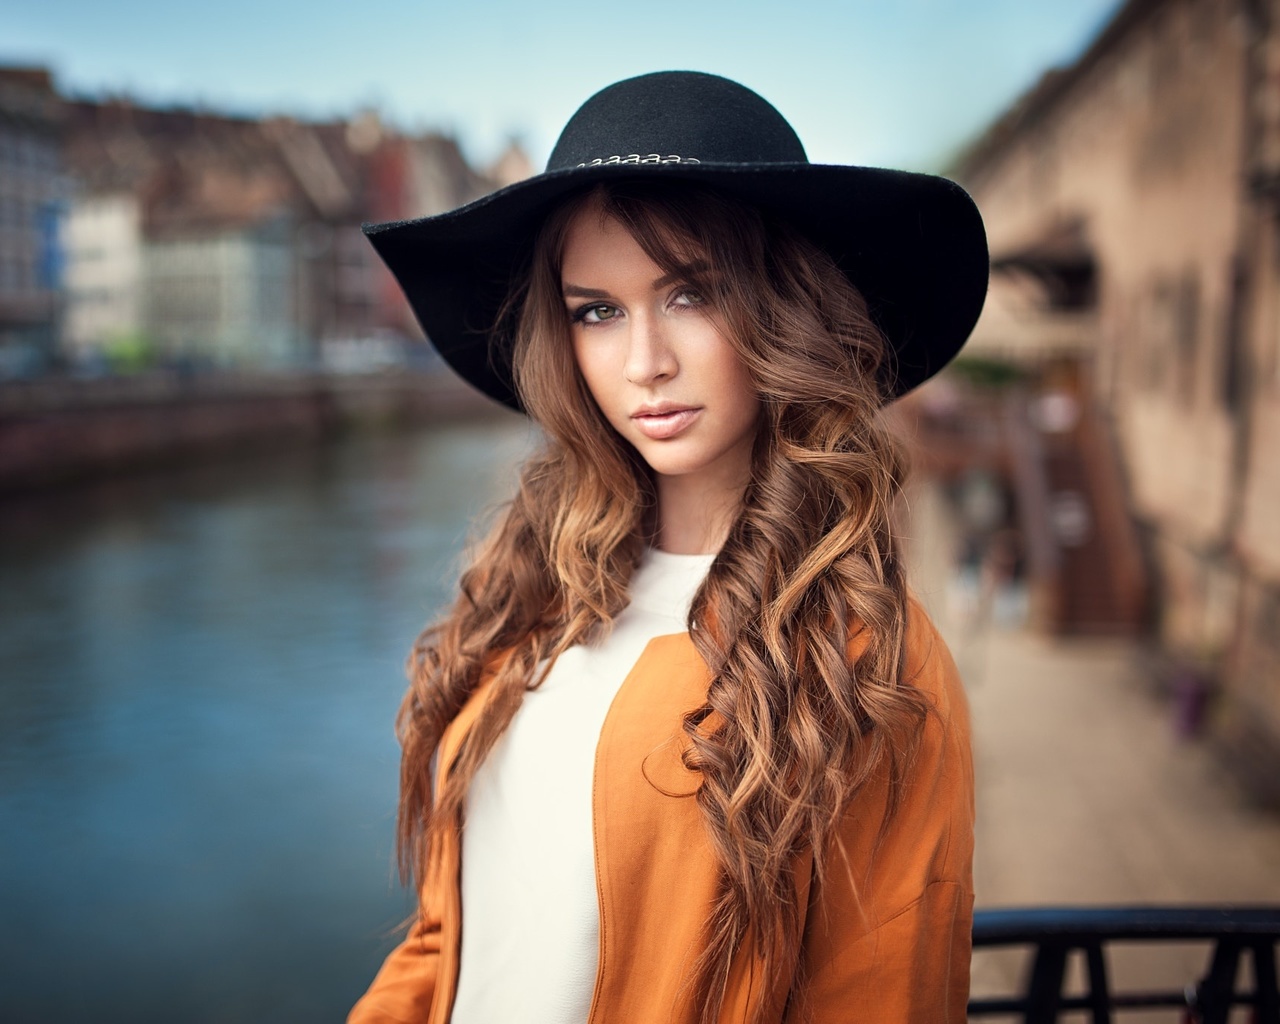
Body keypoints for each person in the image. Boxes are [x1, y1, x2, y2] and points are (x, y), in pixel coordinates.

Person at [349, 71, 987, 1024]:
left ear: (782, 309)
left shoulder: (868, 662)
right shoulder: (525, 591)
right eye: (596, 310)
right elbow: (453, 931)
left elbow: (879, 999)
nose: (643, 359)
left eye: (692, 294)